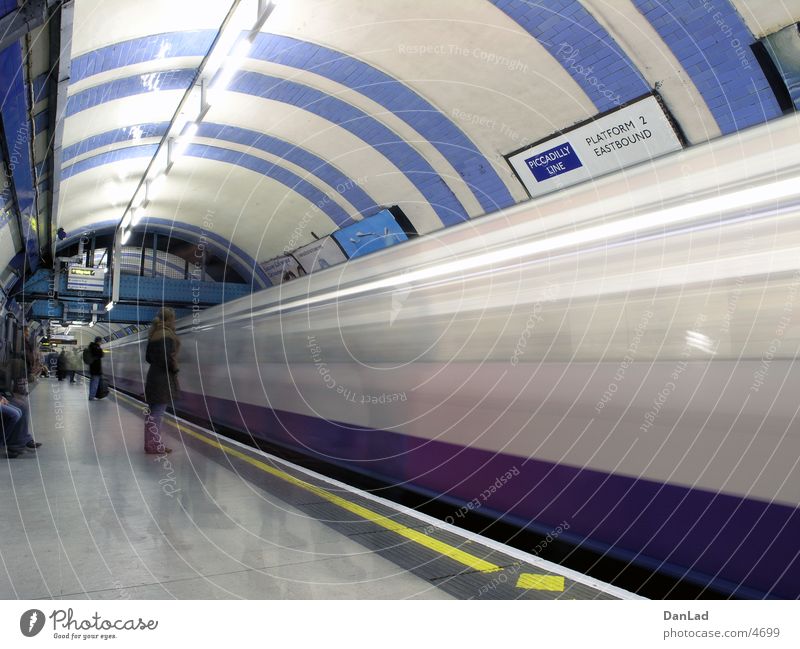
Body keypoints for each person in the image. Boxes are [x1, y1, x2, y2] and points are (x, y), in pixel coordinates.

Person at [144, 308, 180, 454]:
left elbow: (148, 358)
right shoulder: (167, 335)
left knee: (152, 414)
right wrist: (174, 367)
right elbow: (167, 358)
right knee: (157, 414)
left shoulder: (153, 334)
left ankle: (150, 444)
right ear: (170, 319)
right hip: (162, 379)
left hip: (153, 376)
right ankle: (155, 445)